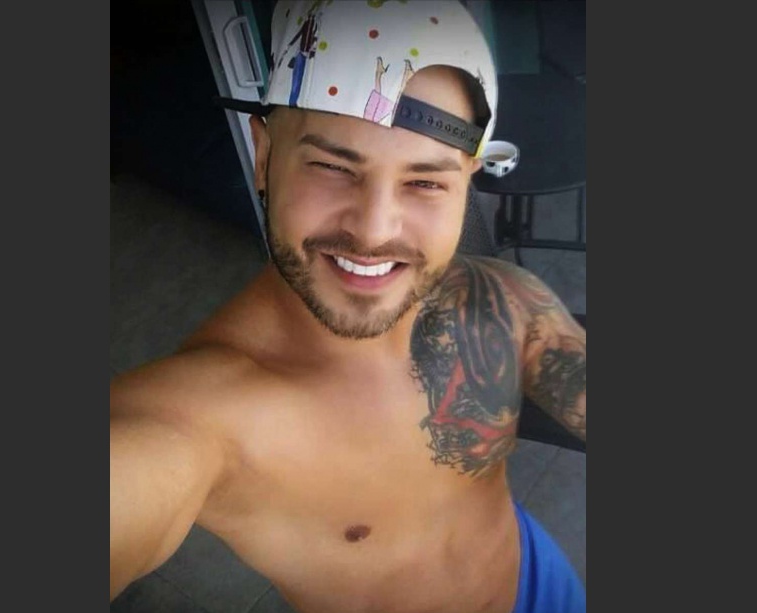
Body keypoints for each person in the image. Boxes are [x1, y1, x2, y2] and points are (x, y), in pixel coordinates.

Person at [110, 1, 586, 611]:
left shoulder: (498, 301)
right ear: (264, 155)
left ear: (467, 181)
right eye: (334, 166)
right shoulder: (201, 417)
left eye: (425, 181)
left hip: (544, 580)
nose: (373, 229)